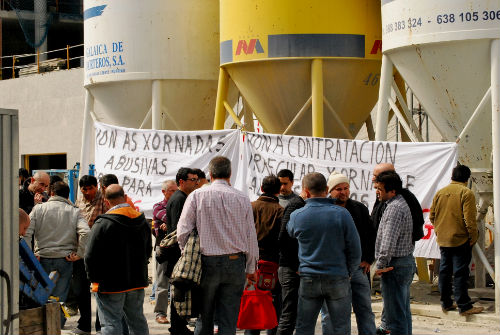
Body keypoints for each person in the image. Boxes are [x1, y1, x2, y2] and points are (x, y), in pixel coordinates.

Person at [177, 156, 259, 335]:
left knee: (204, 316)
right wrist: (251, 267)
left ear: (210, 174)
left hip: (206, 263)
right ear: (230, 174)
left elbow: (182, 231)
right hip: (235, 263)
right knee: (229, 319)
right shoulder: (242, 198)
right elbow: (251, 236)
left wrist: (188, 256)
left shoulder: (196, 196)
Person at [287, 172, 361, 335]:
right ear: (327, 189)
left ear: (305, 191)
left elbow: (289, 234)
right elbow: (355, 249)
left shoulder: (297, 215)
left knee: (304, 327)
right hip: (338, 276)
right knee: (341, 327)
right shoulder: (342, 214)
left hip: (309, 278)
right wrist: (349, 271)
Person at [84, 184, 151, 335]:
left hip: (110, 283)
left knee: (110, 323)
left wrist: (93, 279)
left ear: (107, 202)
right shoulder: (142, 221)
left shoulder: (102, 223)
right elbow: (147, 252)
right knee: (137, 321)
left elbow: (90, 256)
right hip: (136, 281)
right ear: (125, 197)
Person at [24, 181, 89, 328]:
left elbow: (26, 232)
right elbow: (86, 232)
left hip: (41, 259)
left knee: (40, 294)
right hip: (65, 260)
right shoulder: (74, 211)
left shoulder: (38, 209)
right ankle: (56, 325)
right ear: (67, 195)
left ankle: (39, 325)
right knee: (59, 296)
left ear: (52, 193)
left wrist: (30, 255)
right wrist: (79, 253)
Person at [320, 172, 376, 335]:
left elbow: (370, 235)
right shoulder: (323, 210)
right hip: (332, 271)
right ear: (330, 190)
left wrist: (367, 259)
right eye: (338, 189)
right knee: (330, 314)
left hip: (358, 269)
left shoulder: (359, 209)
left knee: (365, 309)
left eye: (345, 188)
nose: (343, 192)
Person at [430, 164, 483, 316]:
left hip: (443, 239)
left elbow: (432, 216)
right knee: (460, 273)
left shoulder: (440, 192)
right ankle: (464, 306)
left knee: (444, 271)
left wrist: (440, 229)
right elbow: (470, 220)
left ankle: (446, 303)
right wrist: (473, 237)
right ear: (467, 178)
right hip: (460, 239)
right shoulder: (466, 193)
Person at [374, 171, 416, 335]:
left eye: (380, 189)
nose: (377, 192)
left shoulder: (394, 209)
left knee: (395, 318)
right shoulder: (399, 204)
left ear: (391, 191)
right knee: (402, 313)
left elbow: (388, 242)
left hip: (394, 267)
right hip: (402, 264)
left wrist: (381, 265)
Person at [71, 175, 109, 335]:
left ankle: (101, 325)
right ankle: (84, 324)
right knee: (80, 290)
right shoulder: (79, 202)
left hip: (99, 253)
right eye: (83, 189)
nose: (86, 192)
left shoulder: (103, 201)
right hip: (81, 253)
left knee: (100, 289)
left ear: (96, 187)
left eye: (89, 189)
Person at [248, 175, 284, 335]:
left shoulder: (250, 207)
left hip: (251, 263)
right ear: (278, 191)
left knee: (252, 301)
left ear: (261, 189)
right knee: (274, 303)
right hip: (273, 264)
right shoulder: (281, 211)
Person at [165, 167, 199, 335]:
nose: (196, 183)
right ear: (181, 182)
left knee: (181, 292)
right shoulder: (180, 199)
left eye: (196, 180)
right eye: (192, 180)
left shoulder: (183, 197)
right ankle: (177, 327)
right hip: (177, 254)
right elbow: (181, 229)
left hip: (178, 253)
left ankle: (179, 325)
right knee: (179, 292)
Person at [276, 190, 305, 335]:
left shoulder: (298, 205)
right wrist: (295, 265)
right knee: (289, 314)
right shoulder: (296, 205)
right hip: (290, 268)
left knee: (293, 314)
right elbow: (283, 238)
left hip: (293, 267)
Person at [152, 179, 178, 324]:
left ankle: (178, 314)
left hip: (177, 248)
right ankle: (160, 313)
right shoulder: (159, 206)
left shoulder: (182, 204)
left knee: (178, 282)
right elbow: (173, 219)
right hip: (163, 249)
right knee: (162, 282)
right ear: (164, 192)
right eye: (172, 191)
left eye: (176, 190)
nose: (175, 193)